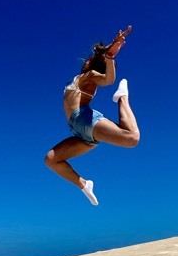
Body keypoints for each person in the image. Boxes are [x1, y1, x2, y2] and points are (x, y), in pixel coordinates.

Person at [45, 26, 140, 205]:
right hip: (79, 132)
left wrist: (110, 57)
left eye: (90, 60)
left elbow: (108, 80)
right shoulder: (82, 77)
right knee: (51, 159)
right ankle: (84, 184)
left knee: (132, 138)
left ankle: (122, 98)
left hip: (85, 119)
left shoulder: (89, 76)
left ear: (94, 64)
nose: (86, 61)